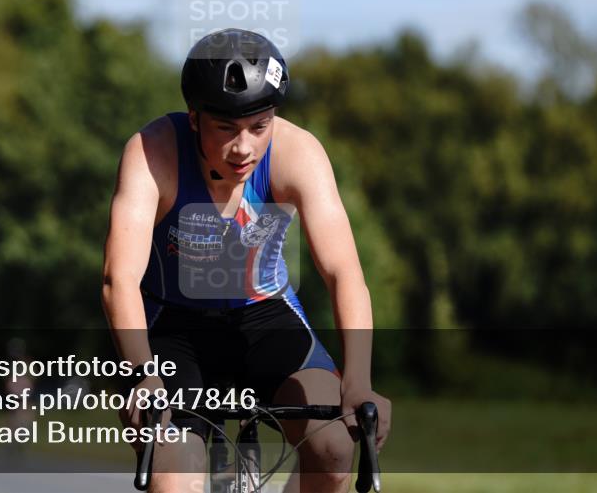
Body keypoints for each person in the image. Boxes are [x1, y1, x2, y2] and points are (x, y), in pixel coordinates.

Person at [102, 28, 391, 492]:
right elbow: (119, 279)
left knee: (334, 449)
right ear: (194, 119)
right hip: (172, 327)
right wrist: (142, 374)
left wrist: (357, 381)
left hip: (264, 316)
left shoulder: (298, 154)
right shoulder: (154, 151)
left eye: (259, 127)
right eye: (226, 129)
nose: (244, 148)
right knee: (174, 471)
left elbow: (343, 273)